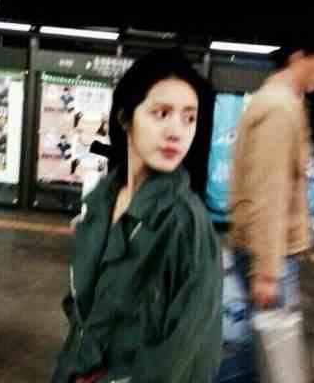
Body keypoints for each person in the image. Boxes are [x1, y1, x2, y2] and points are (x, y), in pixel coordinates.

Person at [51, 48, 222, 383]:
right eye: (161, 113)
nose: (177, 131)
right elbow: (80, 307)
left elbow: (187, 353)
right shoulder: (101, 201)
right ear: (125, 118)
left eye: (189, 118)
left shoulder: (186, 225)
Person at [230, 40, 314, 309]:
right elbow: (269, 191)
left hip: (272, 251)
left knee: (261, 330)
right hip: (271, 255)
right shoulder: (279, 108)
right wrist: (267, 271)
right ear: (297, 57)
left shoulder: (284, 101)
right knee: (270, 334)